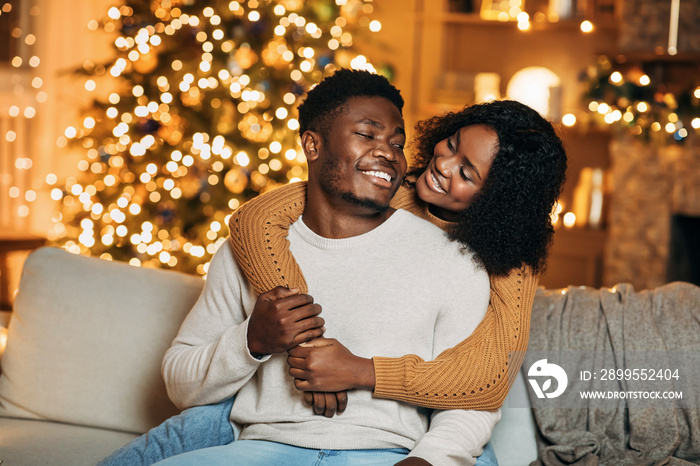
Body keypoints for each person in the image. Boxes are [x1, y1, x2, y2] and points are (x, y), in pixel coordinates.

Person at [99, 73, 567, 465]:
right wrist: (283, 338)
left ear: (497, 202)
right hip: (266, 432)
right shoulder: (384, 187)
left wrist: (361, 372)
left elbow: (481, 385)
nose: (441, 165)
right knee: (185, 433)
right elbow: (256, 218)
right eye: (449, 145)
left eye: (467, 173)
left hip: (401, 438)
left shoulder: (493, 265)